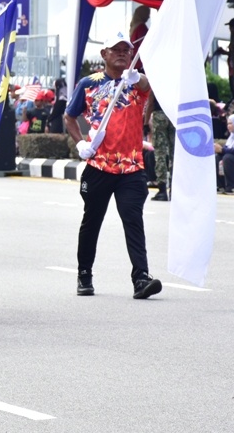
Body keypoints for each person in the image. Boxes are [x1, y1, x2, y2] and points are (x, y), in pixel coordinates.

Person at [63, 32, 162, 300]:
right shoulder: (88, 83)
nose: (121, 53)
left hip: (131, 166)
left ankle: (141, 278)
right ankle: (84, 274)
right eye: (115, 49)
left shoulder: (134, 82)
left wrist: (137, 77)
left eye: (125, 50)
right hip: (99, 166)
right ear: (104, 54)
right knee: (92, 220)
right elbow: (69, 117)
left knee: (133, 219)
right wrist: (81, 143)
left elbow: (147, 86)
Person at [149, 94, 174, 202]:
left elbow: (150, 103)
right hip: (174, 114)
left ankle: (162, 189)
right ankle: (174, 189)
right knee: (175, 153)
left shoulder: (157, 80)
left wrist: (146, 122)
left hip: (159, 114)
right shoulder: (178, 79)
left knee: (160, 153)